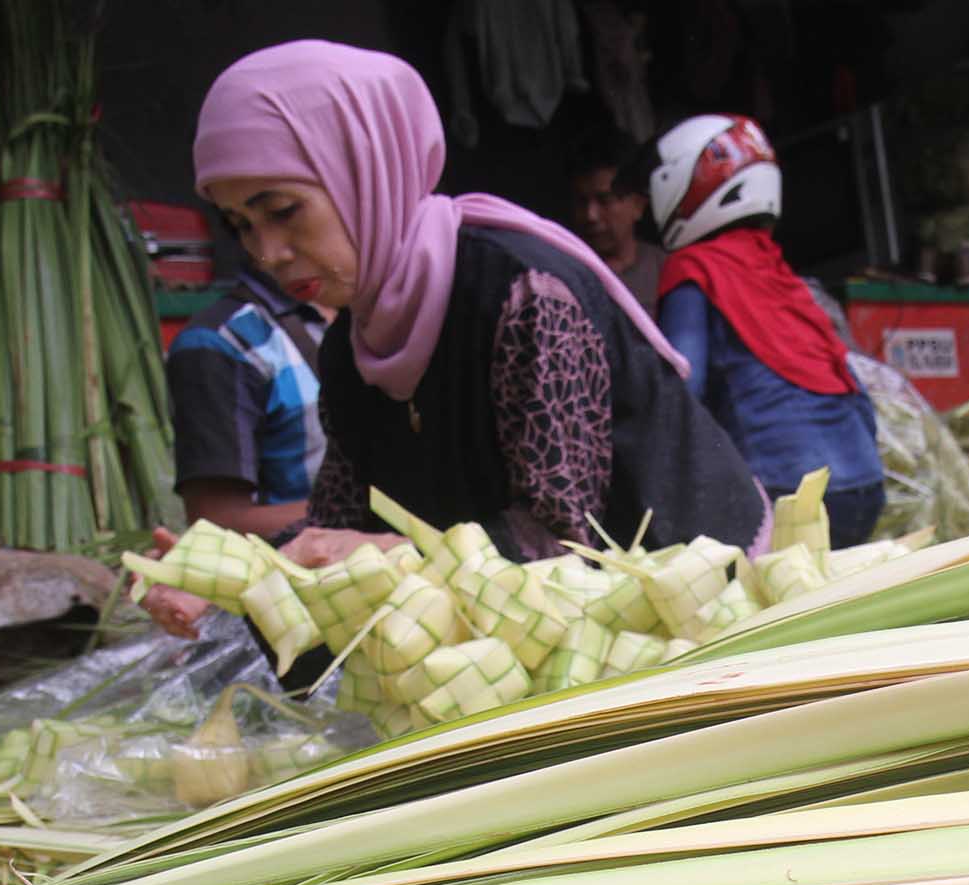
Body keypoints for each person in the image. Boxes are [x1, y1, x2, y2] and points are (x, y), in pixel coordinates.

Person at [189, 40, 768, 576]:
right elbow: (344, 523)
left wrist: (397, 554)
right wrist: (240, 580)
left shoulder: (524, 294)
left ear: (362, 170)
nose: (267, 253)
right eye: (240, 225)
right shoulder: (355, 345)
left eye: (284, 210)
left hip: (691, 595)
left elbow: (565, 538)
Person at [645, 114, 886, 547]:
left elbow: (682, 390)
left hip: (787, 493)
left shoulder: (694, 267)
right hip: (865, 481)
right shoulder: (774, 268)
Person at [166, 260, 326, 537]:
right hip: (297, 569)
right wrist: (367, 518)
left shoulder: (378, 317)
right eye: (246, 226)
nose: (274, 250)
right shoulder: (218, 343)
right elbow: (216, 524)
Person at [566, 127, 665, 316]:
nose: (590, 215)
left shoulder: (665, 273)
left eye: (605, 201)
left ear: (638, 205)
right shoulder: (559, 276)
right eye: (581, 201)